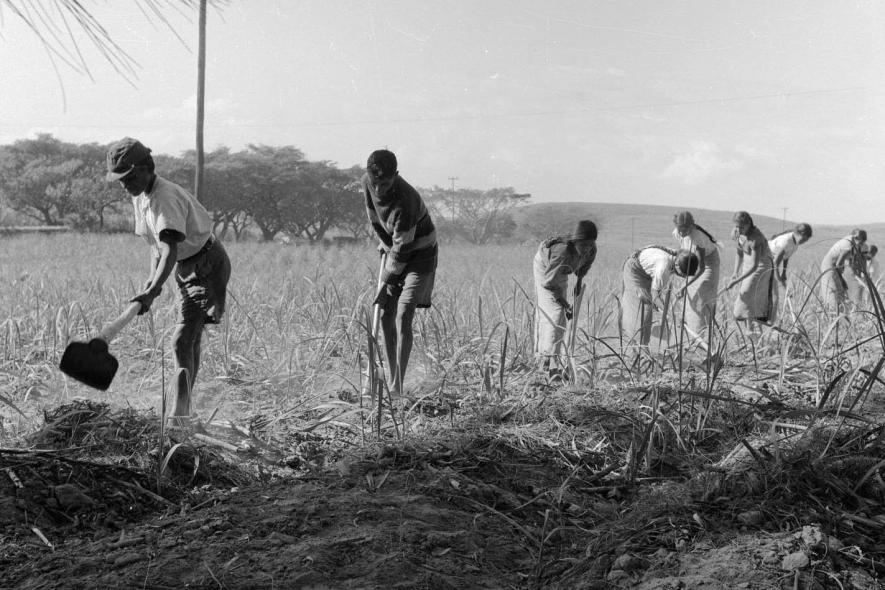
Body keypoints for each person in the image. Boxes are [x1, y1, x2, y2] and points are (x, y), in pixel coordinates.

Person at [106, 137, 231, 421]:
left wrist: (155, 288)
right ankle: (186, 410)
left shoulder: (164, 197)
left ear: (146, 169)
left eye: (129, 177)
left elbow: (170, 248)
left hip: (207, 264)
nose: (124, 185)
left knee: (182, 340)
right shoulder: (140, 197)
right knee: (189, 338)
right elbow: (156, 247)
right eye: (120, 180)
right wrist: (151, 285)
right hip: (185, 265)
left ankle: (179, 415)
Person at [362, 149, 438, 397]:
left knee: (404, 312)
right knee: (385, 315)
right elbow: (375, 217)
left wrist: (386, 281)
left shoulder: (407, 200)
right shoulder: (367, 183)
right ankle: (389, 374)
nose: (380, 190)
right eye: (376, 183)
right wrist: (385, 242)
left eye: (386, 183)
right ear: (368, 175)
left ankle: (397, 387)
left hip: (420, 254)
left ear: (396, 175)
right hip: (397, 248)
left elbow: (404, 247)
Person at [533, 220, 597, 376]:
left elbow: (582, 270)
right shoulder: (562, 252)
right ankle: (545, 362)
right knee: (555, 314)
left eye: (590, 244)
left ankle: (554, 359)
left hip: (562, 271)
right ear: (576, 241)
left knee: (561, 316)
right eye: (583, 245)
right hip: (546, 269)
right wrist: (564, 302)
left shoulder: (591, 249)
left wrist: (578, 286)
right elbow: (549, 282)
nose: (587, 249)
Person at [620, 246, 699, 348]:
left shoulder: (678, 255)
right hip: (635, 271)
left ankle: (644, 344)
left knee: (648, 310)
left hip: (646, 273)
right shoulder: (663, 268)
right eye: (684, 274)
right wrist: (674, 317)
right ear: (677, 265)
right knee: (642, 311)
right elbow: (655, 297)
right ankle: (637, 346)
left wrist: (658, 304)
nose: (684, 277)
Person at [671, 211, 721, 339]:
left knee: (702, 299)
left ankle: (703, 336)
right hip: (692, 263)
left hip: (709, 265)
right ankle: (693, 335)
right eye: (680, 229)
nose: (682, 233)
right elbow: (683, 252)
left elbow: (701, 268)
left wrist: (684, 286)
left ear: (692, 226)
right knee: (689, 298)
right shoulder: (677, 233)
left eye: (686, 229)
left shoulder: (698, 238)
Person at [727, 211, 775, 331]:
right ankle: (750, 330)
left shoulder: (756, 237)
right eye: (736, 226)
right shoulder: (737, 232)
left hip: (761, 266)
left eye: (742, 227)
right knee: (748, 297)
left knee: (748, 293)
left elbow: (755, 266)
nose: (739, 229)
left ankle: (756, 329)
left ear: (749, 224)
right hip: (748, 263)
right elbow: (739, 253)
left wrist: (736, 281)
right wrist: (735, 273)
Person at [819, 229, 867, 313]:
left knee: (841, 292)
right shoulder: (847, 244)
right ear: (856, 238)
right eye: (861, 241)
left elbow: (852, 263)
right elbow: (838, 264)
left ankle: (841, 315)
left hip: (836, 268)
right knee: (833, 290)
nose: (862, 244)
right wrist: (841, 279)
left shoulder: (854, 245)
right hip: (829, 266)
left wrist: (860, 274)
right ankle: (833, 315)